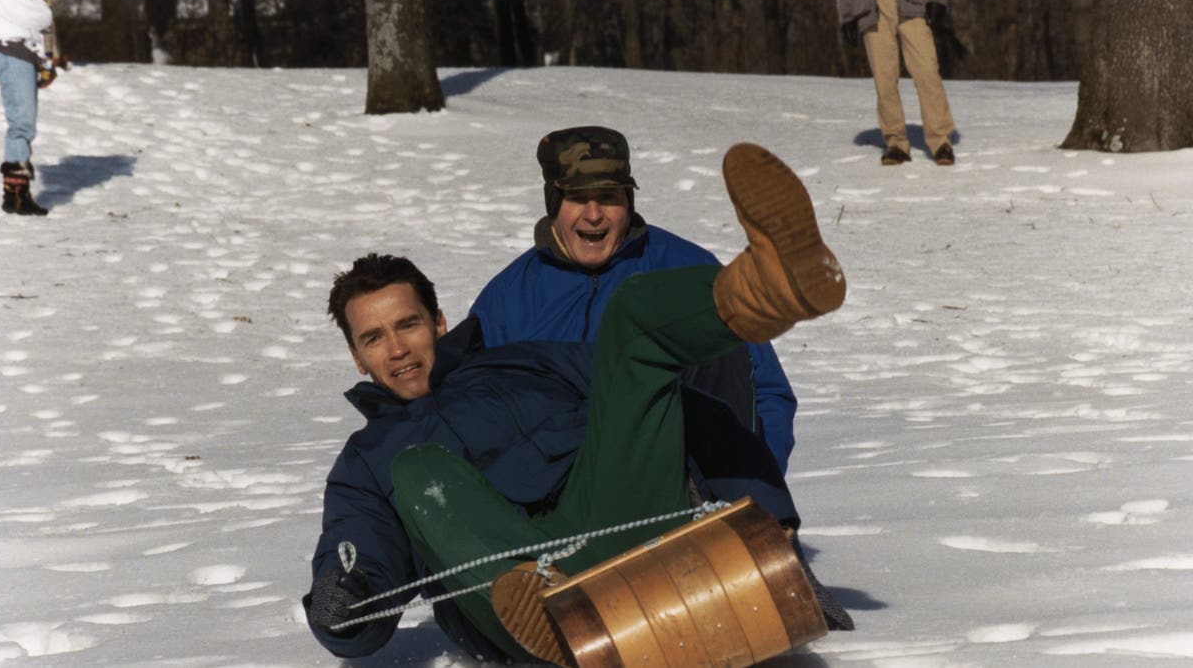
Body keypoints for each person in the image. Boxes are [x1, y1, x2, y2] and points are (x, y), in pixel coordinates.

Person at [304, 143, 854, 661]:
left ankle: (766, 290)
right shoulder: (366, 459)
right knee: (420, 470)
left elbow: (684, 412)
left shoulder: (522, 360)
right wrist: (342, 599)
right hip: (506, 597)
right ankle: (550, 605)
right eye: (374, 338)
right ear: (357, 357)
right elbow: (358, 551)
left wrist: (770, 537)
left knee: (630, 321)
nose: (397, 349)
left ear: (439, 323)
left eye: (408, 324)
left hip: (611, 522)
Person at [468, 125, 802, 474]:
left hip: (682, 486)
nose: (594, 214)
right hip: (560, 493)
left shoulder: (689, 269)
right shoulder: (507, 299)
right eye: (578, 198)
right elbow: (474, 412)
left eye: (610, 197)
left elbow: (767, 392)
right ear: (554, 202)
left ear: (628, 200)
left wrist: (761, 486)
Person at [837, 0, 956, 166]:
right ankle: (896, 143)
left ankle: (941, 141)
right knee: (884, 78)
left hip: (913, 2)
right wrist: (847, 15)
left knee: (927, 72)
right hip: (871, 7)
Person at [0, 0, 55, 215]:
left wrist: (43, 60)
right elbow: (28, 12)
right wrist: (45, 9)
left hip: (20, 47)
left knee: (23, 121)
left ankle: (17, 193)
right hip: (8, 45)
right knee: (22, 121)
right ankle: (17, 194)